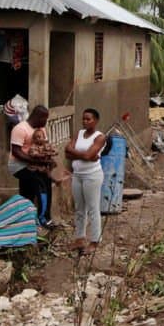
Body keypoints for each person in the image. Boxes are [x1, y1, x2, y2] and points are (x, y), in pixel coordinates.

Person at [65, 108, 107, 256]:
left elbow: (89, 154)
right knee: (79, 208)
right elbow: (66, 152)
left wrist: (83, 155)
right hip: (77, 175)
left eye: (88, 119)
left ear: (95, 121)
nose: (85, 121)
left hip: (92, 175)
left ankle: (95, 240)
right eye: (83, 119)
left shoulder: (100, 137)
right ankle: (80, 238)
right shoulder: (79, 133)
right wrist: (85, 156)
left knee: (93, 208)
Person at [9, 105, 53, 227]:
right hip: (18, 165)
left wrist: (48, 158)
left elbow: (45, 145)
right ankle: (42, 218)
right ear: (38, 117)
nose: (46, 122)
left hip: (35, 164)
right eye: (45, 119)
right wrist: (37, 162)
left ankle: (35, 218)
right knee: (39, 182)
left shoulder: (41, 129)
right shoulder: (20, 129)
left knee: (43, 182)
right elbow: (16, 152)